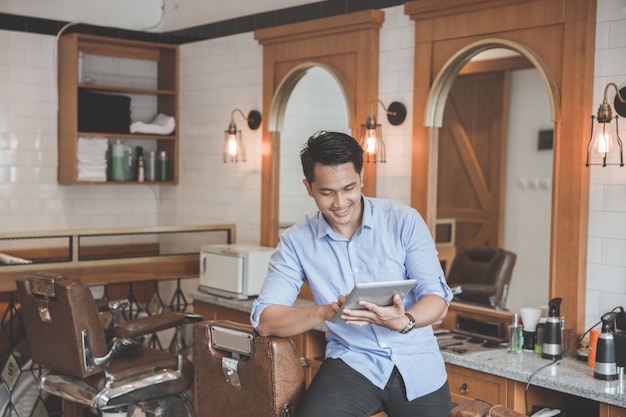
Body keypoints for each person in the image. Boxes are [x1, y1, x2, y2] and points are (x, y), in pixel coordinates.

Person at [250, 131, 453, 417]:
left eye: (348, 188)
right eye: (326, 192)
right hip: (352, 362)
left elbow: (437, 297)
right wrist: (324, 312)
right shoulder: (296, 241)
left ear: (362, 177)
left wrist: (404, 321)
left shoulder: (404, 221)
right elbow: (266, 321)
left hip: (417, 362)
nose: (340, 202)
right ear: (308, 188)